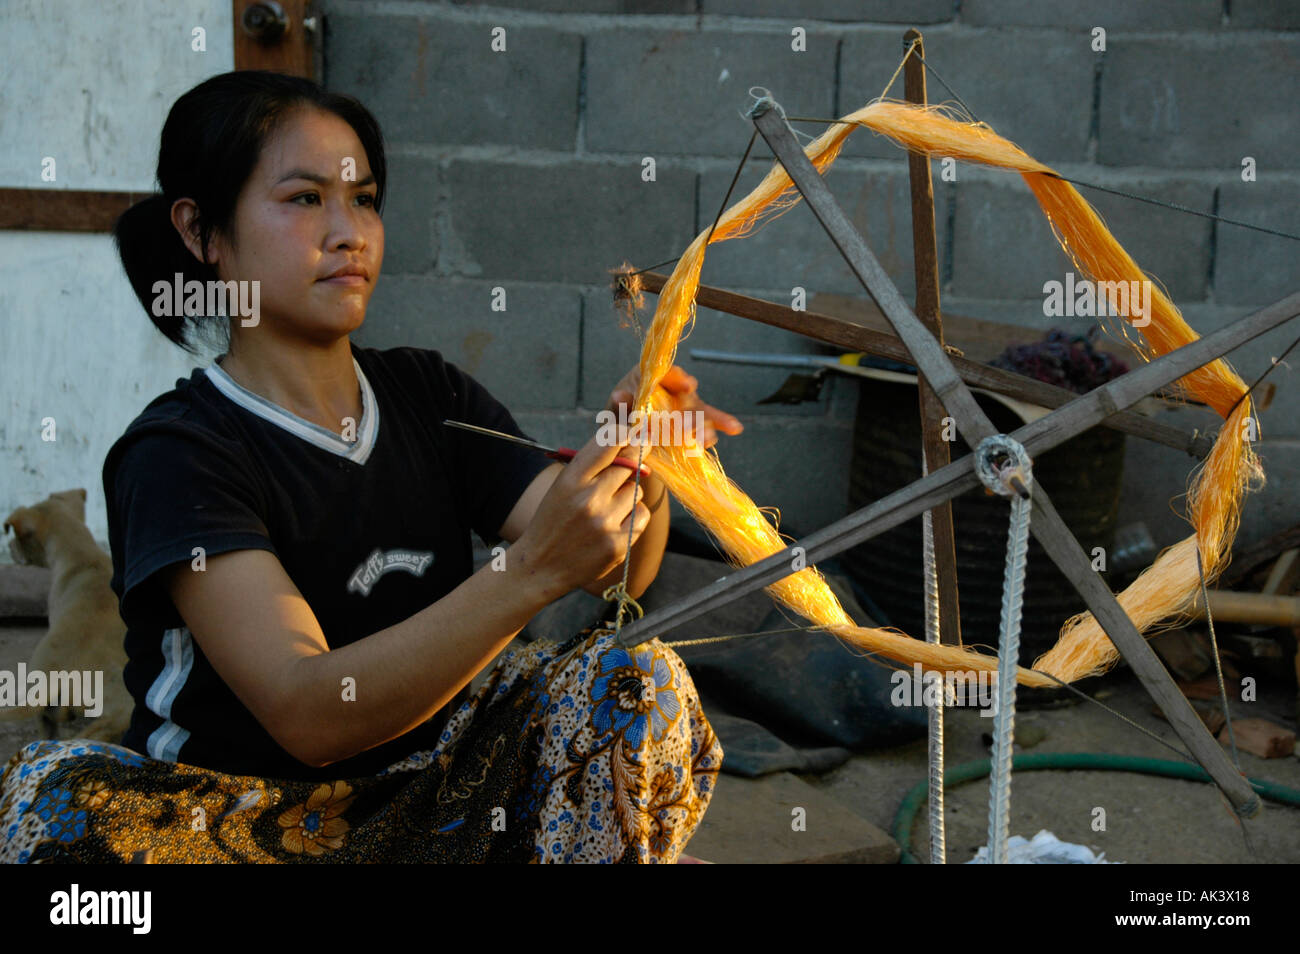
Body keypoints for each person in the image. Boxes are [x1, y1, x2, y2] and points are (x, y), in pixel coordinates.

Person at [0, 70, 740, 863]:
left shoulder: (427, 393)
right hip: (238, 821)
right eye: (305, 199)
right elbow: (308, 713)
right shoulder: (179, 454)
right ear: (201, 233)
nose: (348, 230)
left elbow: (618, 571)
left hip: (432, 795)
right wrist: (525, 573)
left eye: (364, 198)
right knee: (61, 831)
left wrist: (641, 457)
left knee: (634, 683)